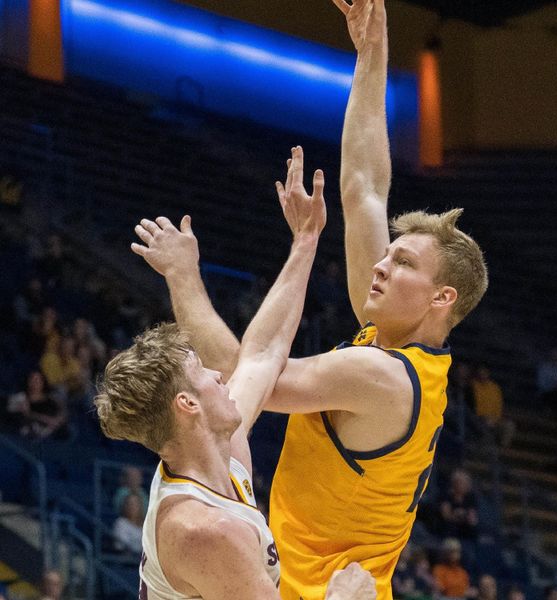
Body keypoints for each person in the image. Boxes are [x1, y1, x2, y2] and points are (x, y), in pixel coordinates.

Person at [132, 2, 488, 597]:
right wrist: (372, 55)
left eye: (402, 262)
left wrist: (186, 279)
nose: (380, 262)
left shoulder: (383, 375)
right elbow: (366, 188)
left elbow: (248, 372)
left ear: (440, 298)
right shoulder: (390, 344)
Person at [104, 152, 374, 599]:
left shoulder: (219, 453)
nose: (217, 373)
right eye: (201, 373)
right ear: (187, 405)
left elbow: (262, 355)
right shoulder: (205, 531)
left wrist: (306, 240)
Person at [7, 370, 68, 440]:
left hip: (49, 431)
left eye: (38, 380)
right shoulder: (21, 397)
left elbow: (63, 410)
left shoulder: (51, 398)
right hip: (27, 430)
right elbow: (26, 414)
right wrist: (46, 419)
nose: (35, 382)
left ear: (43, 383)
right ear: (28, 381)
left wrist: (58, 419)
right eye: (32, 379)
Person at [471, 365, 515, 448]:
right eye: (481, 372)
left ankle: (502, 449)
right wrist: (482, 417)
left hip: (495, 419)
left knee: (509, 425)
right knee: (487, 423)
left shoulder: (495, 388)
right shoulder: (473, 386)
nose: (483, 374)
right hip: (479, 418)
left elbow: (498, 406)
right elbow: (474, 405)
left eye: (484, 372)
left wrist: (496, 418)